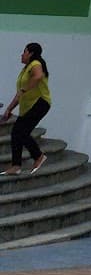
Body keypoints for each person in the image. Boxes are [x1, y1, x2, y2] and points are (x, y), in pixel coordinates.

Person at [2, 42, 51, 175]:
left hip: (40, 103)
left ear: (31, 54)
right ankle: (16, 166)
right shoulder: (26, 69)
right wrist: (9, 109)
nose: (22, 54)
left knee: (20, 132)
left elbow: (38, 76)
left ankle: (38, 156)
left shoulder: (35, 64)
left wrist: (25, 89)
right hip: (29, 106)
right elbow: (20, 94)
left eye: (24, 51)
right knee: (17, 133)